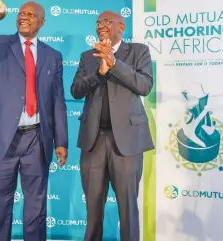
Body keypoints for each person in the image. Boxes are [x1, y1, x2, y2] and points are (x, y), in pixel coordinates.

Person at [0, 1, 68, 241]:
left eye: (31, 15)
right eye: (21, 13)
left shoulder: (53, 56)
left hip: (37, 138)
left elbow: (57, 102)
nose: (24, 17)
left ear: (42, 22)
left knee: (36, 207)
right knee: (0, 208)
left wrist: (61, 141)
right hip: (2, 138)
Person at [70, 11, 154, 241]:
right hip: (93, 141)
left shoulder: (138, 51)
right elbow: (76, 91)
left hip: (127, 142)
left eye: (106, 22)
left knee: (127, 209)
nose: (100, 26)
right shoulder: (88, 56)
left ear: (121, 26)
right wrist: (99, 73)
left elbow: (145, 86)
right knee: (93, 209)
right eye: (98, 23)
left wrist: (114, 63)